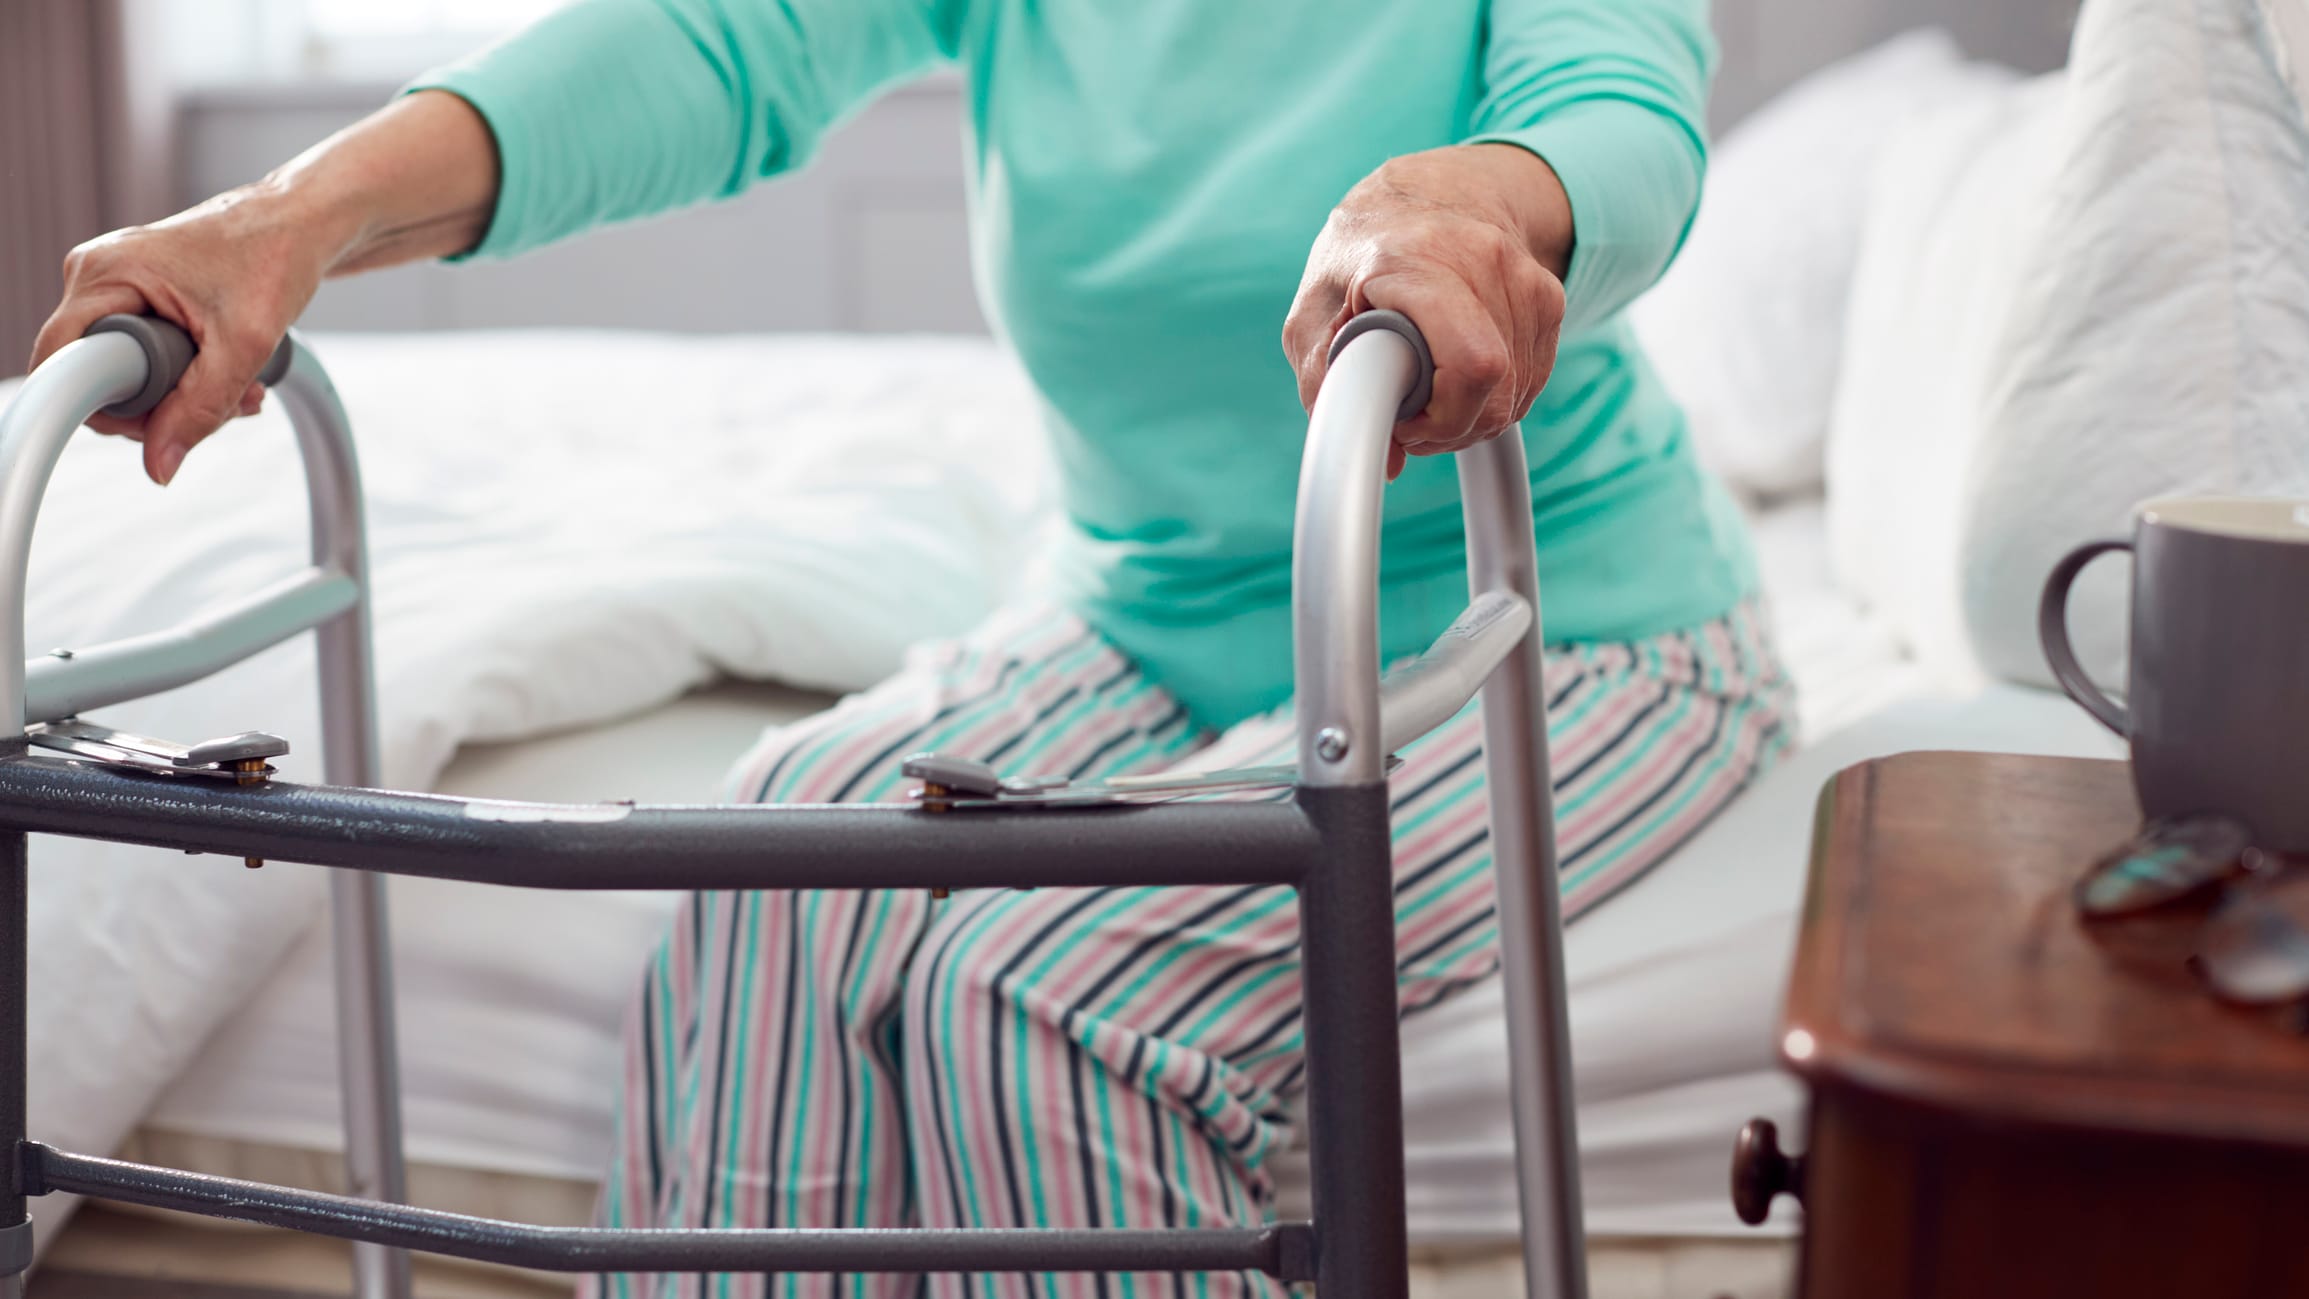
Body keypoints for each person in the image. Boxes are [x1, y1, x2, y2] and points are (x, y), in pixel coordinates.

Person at [32, 2, 1792, 1296]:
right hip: (1146, 605)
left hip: (1561, 623)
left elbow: (1618, 101)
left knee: (1034, 1000)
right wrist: (293, 217)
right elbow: (711, 49)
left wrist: (1469, 199)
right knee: (775, 858)